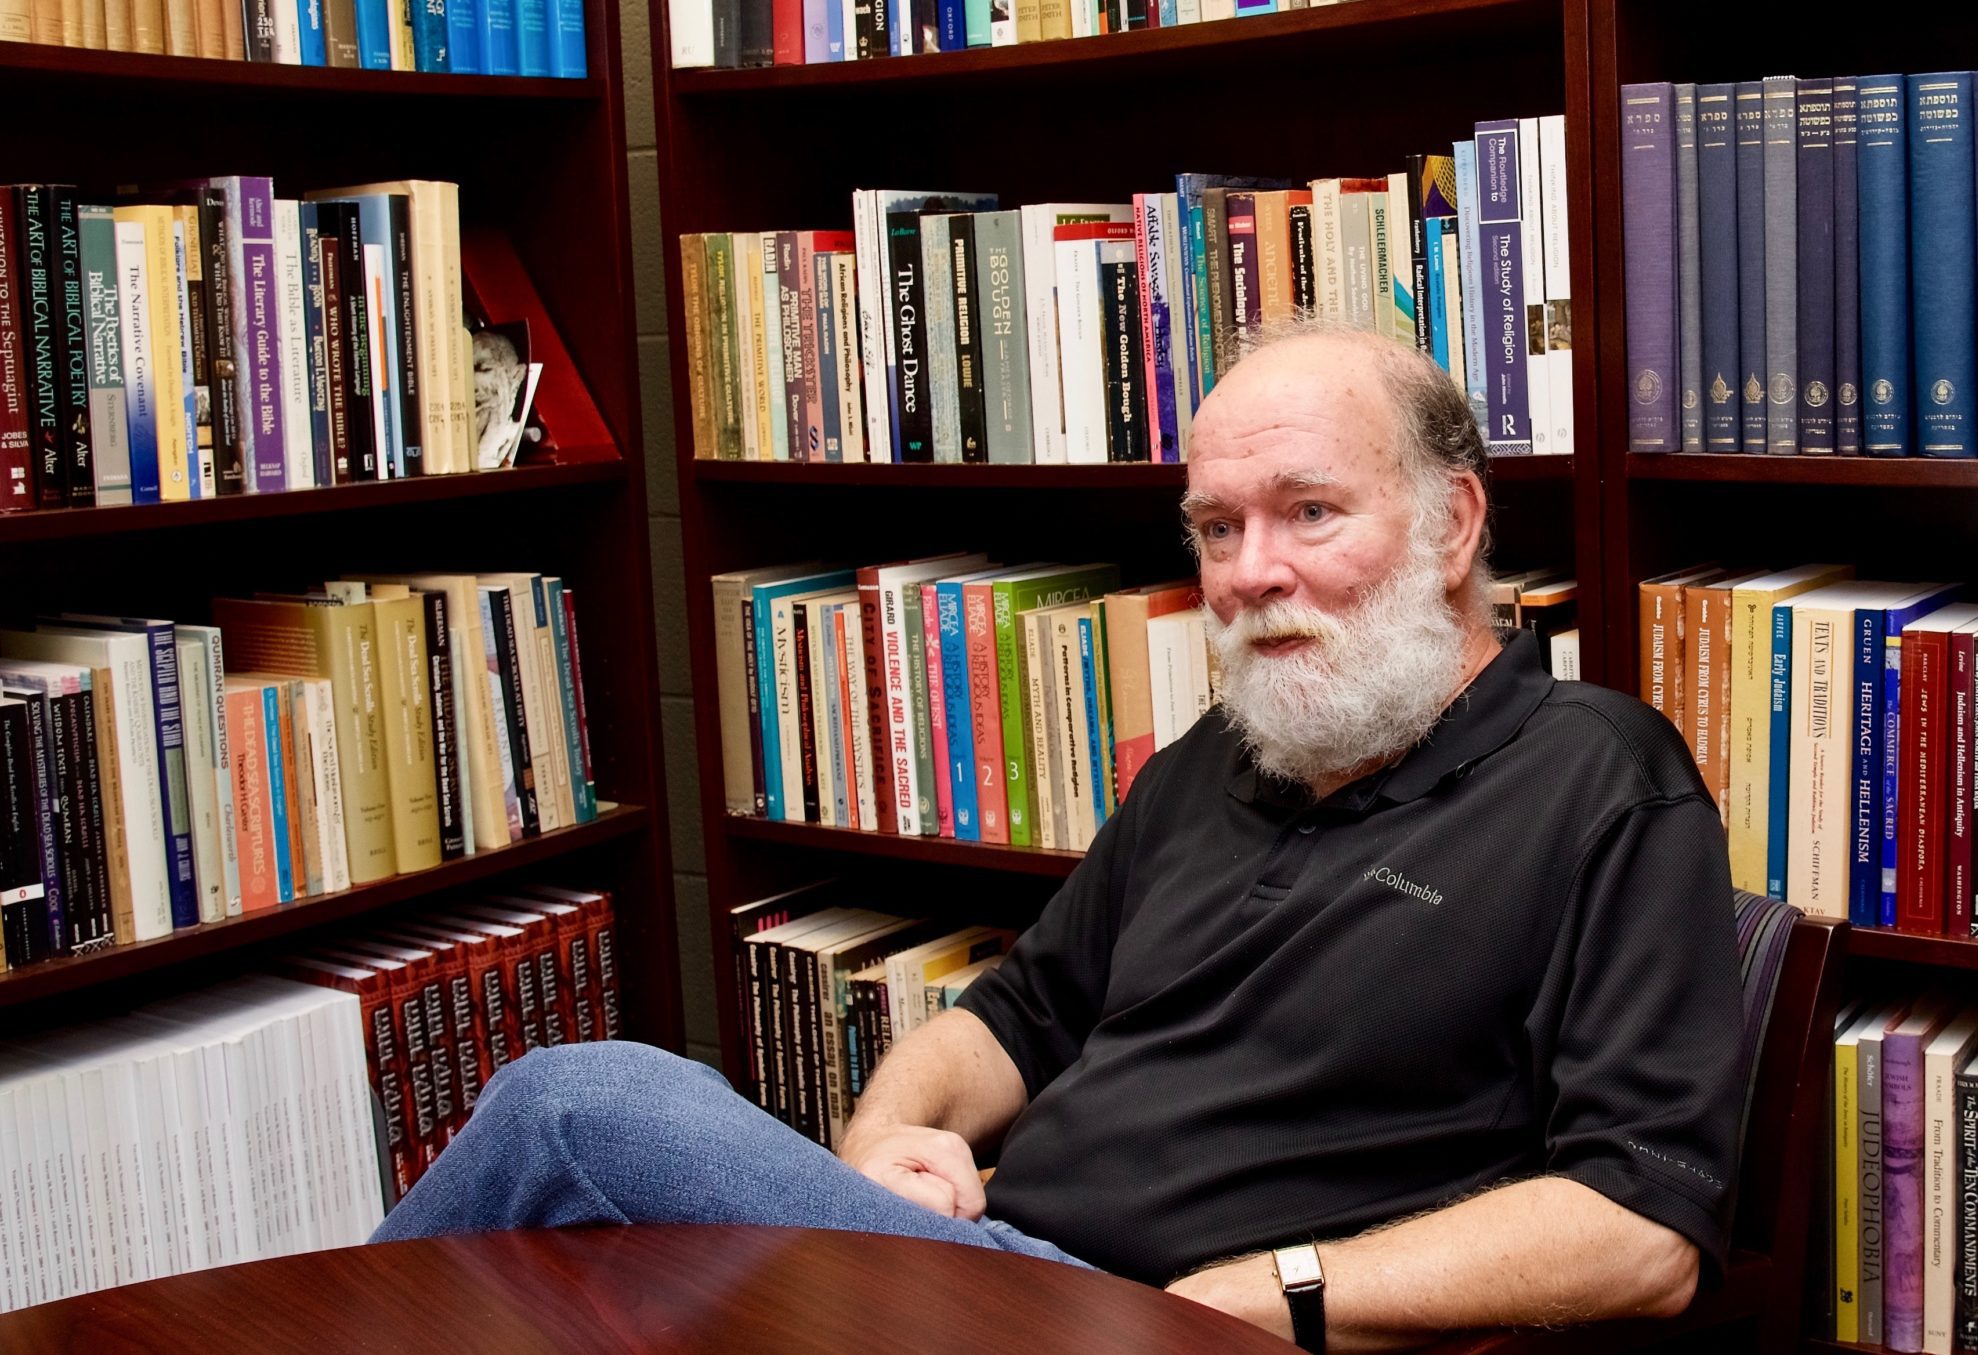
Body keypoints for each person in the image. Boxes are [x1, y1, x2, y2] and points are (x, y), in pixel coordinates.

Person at [373, 320, 1746, 1353]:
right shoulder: (1229, 752)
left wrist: (1273, 1295)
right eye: (1218, 526)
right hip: (991, 1265)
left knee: (583, 1109)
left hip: (1171, 1328)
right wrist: (891, 1134)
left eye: (1310, 512)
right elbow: (1019, 1018)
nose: (1252, 570)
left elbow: (1640, 1227)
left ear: (1453, 525)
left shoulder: (1599, 780)